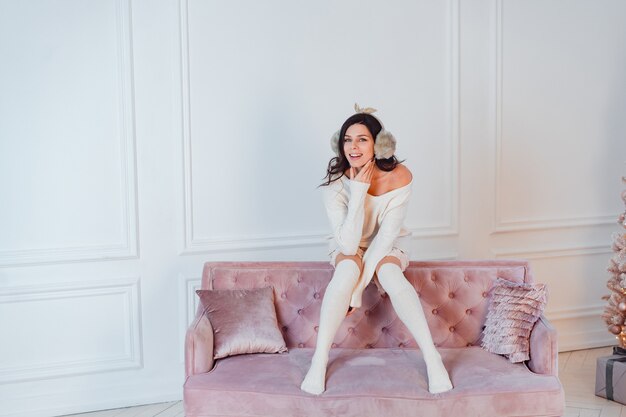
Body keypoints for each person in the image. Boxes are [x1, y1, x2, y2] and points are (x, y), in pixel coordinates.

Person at [300, 104, 453, 396]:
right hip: (349, 241)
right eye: (347, 139)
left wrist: (356, 293)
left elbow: (385, 239)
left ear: (379, 144)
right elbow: (346, 244)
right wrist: (357, 190)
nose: (353, 147)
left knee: (393, 278)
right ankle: (319, 361)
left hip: (388, 241)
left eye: (362, 139)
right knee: (345, 269)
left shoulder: (400, 176)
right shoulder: (335, 182)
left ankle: (433, 359)